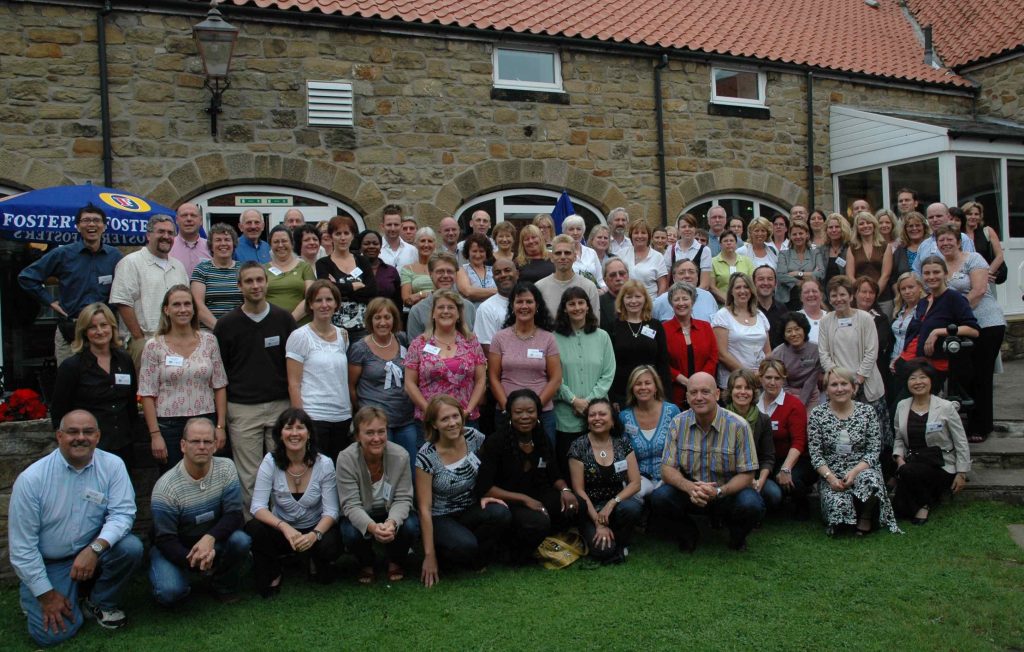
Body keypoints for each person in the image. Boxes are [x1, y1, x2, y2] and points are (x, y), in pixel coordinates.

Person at [9, 410, 143, 645]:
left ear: (98, 436)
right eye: (72, 432)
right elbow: (22, 548)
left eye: (88, 432)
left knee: (131, 547)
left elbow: (123, 514)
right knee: (51, 636)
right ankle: (37, 595)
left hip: (92, 550)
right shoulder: (32, 480)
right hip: (52, 562)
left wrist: (94, 549)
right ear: (59, 436)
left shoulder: (113, 465)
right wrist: (47, 596)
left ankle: (98, 602)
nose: (80, 437)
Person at [214, 262, 297, 511]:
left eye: (259, 280)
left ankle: (284, 527)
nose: (255, 286)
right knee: (249, 477)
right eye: (249, 281)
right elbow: (221, 373)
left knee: (282, 471)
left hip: (280, 405)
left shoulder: (284, 319)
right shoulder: (226, 325)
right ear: (239, 286)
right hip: (242, 408)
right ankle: (255, 533)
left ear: (267, 282)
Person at [650, 372, 763, 552]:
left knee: (751, 504)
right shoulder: (677, 423)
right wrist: (689, 487)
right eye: (693, 393)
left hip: (726, 492)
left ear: (717, 394)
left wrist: (718, 491)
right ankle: (688, 532)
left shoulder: (739, 426)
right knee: (660, 498)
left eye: (705, 392)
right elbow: (666, 469)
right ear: (687, 397)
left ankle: (737, 536)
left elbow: (748, 474)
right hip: (691, 491)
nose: (699, 397)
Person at [148, 418, 251, 605]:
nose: (202, 447)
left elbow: (235, 515)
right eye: (195, 441)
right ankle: (189, 574)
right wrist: (194, 560)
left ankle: (222, 583)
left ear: (214, 446)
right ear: (183, 445)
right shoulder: (165, 488)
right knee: (169, 592)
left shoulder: (226, 468)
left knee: (241, 541)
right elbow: (164, 539)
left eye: (207, 442)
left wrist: (209, 539)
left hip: (213, 541)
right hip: (175, 546)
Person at [416, 395, 511, 587]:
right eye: (445, 419)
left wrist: (486, 493)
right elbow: (424, 509)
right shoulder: (426, 457)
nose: (452, 423)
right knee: (464, 545)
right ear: (434, 424)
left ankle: (475, 553)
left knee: (501, 513)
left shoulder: (473, 437)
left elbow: (489, 468)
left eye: (455, 416)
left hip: (470, 508)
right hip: (441, 516)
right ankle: (444, 555)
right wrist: (429, 556)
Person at [245, 408, 340, 595]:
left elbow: (332, 511)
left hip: (315, 529)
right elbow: (257, 507)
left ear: (309, 433)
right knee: (254, 528)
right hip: (283, 531)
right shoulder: (270, 461)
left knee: (331, 545)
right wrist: (285, 528)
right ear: (280, 434)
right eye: (288, 428)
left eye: (300, 428)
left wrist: (314, 535)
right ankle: (275, 568)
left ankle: (314, 557)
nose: (294, 433)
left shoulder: (324, 463)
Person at [477, 389, 579, 562]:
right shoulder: (496, 441)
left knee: (576, 505)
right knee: (538, 522)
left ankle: (551, 541)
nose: (525, 416)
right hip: (509, 501)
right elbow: (485, 488)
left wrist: (566, 490)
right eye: (518, 412)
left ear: (538, 413)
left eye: (530, 411)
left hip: (539, 495)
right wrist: (524, 499)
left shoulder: (541, 437)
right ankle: (512, 554)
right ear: (509, 414)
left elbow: (554, 474)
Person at [17, 203, 122, 365]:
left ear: (104, 226)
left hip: (104, 333)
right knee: (69, 383)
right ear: (78, 226)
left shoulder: (115, 257)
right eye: (86, 220)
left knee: (102, 382)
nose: (92, 224)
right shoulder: (63, 254)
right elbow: (27, 277)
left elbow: (125, 289)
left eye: (96, 220)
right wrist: (50, 301)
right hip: (70, 332)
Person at [139, 286, 228, 470]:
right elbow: (147, 393)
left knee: (207, 475)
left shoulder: (209, 341)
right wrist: (155, 434)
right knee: (172, 478)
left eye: (187, 304)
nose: (183, 309)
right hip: (169, 425)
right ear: (166, 309)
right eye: (176, 304)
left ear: (194, 309)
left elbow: (219, 385)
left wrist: (220, 426)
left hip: (205, 420)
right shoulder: (153, 346)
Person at [808, 368, 900, 536]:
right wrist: (831, 478)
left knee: (870, 481)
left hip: (862, 469)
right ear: (826, 389)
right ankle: (848, 509)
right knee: (840, 525)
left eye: (844, 384)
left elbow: (873, 451)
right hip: (832, 473)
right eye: (834, 385)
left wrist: (854, 472)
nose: (840, 389)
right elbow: (815, 455)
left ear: (853, 387)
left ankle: (865, 515)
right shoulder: (817, 415)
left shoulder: (867, 412)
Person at [937, 225, 1005, 443]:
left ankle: (982, 425)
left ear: (958, 241)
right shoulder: (938, 265)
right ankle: (965, 421)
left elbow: (978, 290)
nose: (945, 244)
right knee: (963, 373)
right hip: (959, 328)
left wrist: (954, 313)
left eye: (949, 239)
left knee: (981, 374)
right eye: (941, 241)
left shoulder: (973, 258)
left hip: (985, 323)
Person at [337, 406, 419, 584]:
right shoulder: (346, 458)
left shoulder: (401, 455)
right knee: (350, 532)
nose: (376, 438)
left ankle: (395, 560)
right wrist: (373, 528)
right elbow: (350, 505)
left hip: (390, 512)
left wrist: (391, 523)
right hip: (361, 512)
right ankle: (367, 562)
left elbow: (404, 498)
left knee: (410, 525)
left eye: (381, 431)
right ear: (358, 435)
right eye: (369, 433)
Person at [51, 303, 139, 467]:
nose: (100, 331)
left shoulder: (124, 360)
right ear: (84, 332)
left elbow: (131, 405)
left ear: (112, 327)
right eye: (93, 327)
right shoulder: (72, 367)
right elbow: (59, 411)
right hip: (88, 449)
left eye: (104, 325)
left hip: (123, 446)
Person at [819, 276, 891, 454]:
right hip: (839, 387)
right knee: (844, 438)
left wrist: (857, 380)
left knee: (875, 438)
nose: (838, 299)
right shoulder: (826, 321)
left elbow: (871, 351)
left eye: (842, 294)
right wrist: (840, 381)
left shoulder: (865, 318)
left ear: (851, 296)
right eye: (834, 295)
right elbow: (824, 354)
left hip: (867, 386)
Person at [892, 361, 970, 523]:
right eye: (913, 378)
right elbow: (899, 437)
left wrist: (962, 472)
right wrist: (899, 459)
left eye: (923, 377)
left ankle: (924, 505)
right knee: (907, 473)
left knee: (908, 473)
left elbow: (961, 441)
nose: (918, 382)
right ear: (907, 383)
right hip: (913, 460)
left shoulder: (946, 407)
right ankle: (916, 500)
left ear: (931, 380)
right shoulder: (902, 406)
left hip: (941, 462)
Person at [109, 214, 189, 367]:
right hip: (144, 340)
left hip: (175, 340)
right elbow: (123, 303)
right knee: (145, 390)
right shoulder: (131, 262)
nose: (166, 236)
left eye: (170, 233)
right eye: (161, 232)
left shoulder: (178, 266)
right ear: (148, 235)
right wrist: (139, 339)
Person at [568, 398, 642, 564]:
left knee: (632, 507)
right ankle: (604, 537)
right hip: (589, 509)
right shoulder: (578, 446)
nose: (597, 418)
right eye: (592, 415)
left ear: (613, 420)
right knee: (603, 551)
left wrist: (612, 503)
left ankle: (619, 539)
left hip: (615, 506)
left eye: (602, 414)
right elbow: (578, 490)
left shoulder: (622, 444)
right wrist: (598, 523)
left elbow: (635, 483)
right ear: (587, 422)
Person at [894, 256, 980, 399]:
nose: (931, 277)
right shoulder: (923, 302)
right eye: (927, 273)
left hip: (933, 366)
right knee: (898, 410)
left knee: (903, 408)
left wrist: (939, 332)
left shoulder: (954, 298)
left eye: (936, 272)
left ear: (945, 274)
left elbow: (973, 330)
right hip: (911, 363)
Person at [286, 280, 352, 462]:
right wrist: (300, 421)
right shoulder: (299, 336)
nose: (324, 305)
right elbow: (293, 384)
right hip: (314, 416)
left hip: (341, 416)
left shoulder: (343, 335)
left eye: (329, 300)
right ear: (310, 305)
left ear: (336, 304)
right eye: (318, 300)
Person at [489, 282, 562, 445]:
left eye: (529, 302)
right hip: (506, 412)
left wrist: (534, 408)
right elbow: (493, 378)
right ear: (512, 306)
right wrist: (508, 409)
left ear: (537, 306)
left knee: (544, 464)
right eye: (519, 301)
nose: (524, 306)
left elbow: (556, 378)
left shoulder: (548, 338)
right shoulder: (499, 338)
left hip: (542, 413)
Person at [553, 287, 615, 471]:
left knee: (598, 468)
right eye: (571, 304)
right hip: (565, 416)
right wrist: (573, 400)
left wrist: (589, 403)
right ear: (564, 308)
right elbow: (552, 375)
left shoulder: (602, 337)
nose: (577, 307)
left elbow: (608, 373)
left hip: (598, 415)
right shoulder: (552, 338)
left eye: (581, 303)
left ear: (588, 307)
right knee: (568, 467)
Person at [348, 298, 417, 465]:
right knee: (382, 469)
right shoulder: (360, 349)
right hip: (376, 424)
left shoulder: (402, 339)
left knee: (410, 468)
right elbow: (351, 386)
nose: (383, 322)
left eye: (387, 317)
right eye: (377, 318)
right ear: (370, 320)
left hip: (405, 418)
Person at [405, 289, 487, 426]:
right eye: (441, 307)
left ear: (459, 314)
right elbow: (409, 384)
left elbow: (481, 380)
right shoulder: (419, 344)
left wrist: (468, 410)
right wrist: (430, 412)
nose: (446, 311)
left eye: (451, 307)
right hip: (431, 421)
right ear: (433, 314)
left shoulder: (471, 342)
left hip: (465, 418)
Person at [755, 360, 814, 517]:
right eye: (768, 377)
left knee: (792, 480)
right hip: (764, 460)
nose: (772, 382)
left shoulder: (794, 405)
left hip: (792, 459)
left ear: (784, 379)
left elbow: (799, 441)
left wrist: (786, 468)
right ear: (760, 378)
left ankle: (800, 505)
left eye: (778, 378)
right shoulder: (753, 403)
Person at [619, 366, 681, 501]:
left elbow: (682, 448)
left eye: (647, 383)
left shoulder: (672, 411)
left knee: (661, 498)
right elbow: (621, 454)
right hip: (638, 480)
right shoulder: (624, 417)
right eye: (638, 383)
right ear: (632, 388)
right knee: (628, 507)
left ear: (656, 387)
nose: (643, 387)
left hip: (668, 479)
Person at [609, 279, 671, 406]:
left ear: (645, 299)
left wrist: (666, 395)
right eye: (629, 297)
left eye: (638, 296)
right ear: (622, 300)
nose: (633, 301)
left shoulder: (656, 325)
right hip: (622, 392)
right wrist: (612, 397)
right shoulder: (613, 327)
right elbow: (609, 365)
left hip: (651, 391)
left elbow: (663, 362)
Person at [316, 214, 377, 341]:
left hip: (362, 328)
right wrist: (354, 286)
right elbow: (326, 291)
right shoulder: (323, 263)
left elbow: (372, 290)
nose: (342, 238)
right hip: (333, 329)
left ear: (353, 236)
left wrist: (339, 289)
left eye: (346, 233)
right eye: (338, 234)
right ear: (331, 236)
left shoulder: (363, 261)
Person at [723, 369, 773, 518]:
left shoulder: (763, 420)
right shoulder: (720, 416)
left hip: (753, 473)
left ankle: (754, 514)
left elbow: (767, 457)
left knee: (773, 494)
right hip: (724, 474)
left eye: (748, 388)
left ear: (754, 392)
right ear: (731, 391)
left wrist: (759, 482)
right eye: (738, 387)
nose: (743, 392)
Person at [662, 282, 718, 408]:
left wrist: (699, 383)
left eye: (685, 298)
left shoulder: (706, 327)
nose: (681, 303)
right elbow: (663, 362)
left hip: (704, 392)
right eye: (676, 299)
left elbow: (713, 357)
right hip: (675, 393)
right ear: (671, 303)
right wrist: (685, 381)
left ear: (692, 301)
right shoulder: (664, 329)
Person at [712, 272, 771, 389]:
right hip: (733, 383)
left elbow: (768, 352)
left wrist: (761, 374)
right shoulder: (722, 316)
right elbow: (722, 354)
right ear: (731, 292)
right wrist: (748, 375)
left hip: (759, 382)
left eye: (746, 287)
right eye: (738, 287)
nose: (742, 291)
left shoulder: (760, 315)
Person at [406, 252, 478, 339]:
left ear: (456, 274)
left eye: (450, 271)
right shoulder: (417, 311)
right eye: (440, 271)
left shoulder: (469, 307)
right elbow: (413, 348)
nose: (445, 275)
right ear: (430, 274)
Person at [536, 234, 601, 322]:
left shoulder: (589, 287)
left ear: (574, 257)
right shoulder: (539, 287)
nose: (563, 257)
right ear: (551, 258)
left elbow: (595, 322)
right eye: (558, 253)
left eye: (567, 253)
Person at [191, 223, 242, 329]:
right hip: (210, 332)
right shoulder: (201, 270)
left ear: (233, 244)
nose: (223, 243)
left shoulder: (243, 270)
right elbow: (197, 305)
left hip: (240, 331)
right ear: (211, 246)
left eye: (227, 239)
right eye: (218, 240)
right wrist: (220, 329)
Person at [853, 276, 894, 399]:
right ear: (855, 294)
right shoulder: (844, 316)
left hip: (874, 369)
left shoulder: (881, 318)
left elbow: (880, 343)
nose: (867, 296)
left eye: (871, 292)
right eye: (864, 292)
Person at [772, 311, 823, 407]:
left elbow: (811, 381)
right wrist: (792, 402)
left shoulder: (816, 350)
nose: (794, 334)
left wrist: (800, 403)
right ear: (784, 334)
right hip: (785, 395)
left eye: (797, 329)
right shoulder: (777, 353)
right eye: (789, 331)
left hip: (811, 394)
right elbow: (782, 383)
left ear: (804, 330)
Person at [265, 225, 314, 324]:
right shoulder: (262, 269)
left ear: (292, 244)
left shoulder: (304, 267)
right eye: (276, 242)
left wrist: (289, 321)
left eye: (284, 241)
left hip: (299, 326)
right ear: (270, 245)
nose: (280, 245)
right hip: (271, 325)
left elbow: (311, 297)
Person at [848, 211, 894, 316]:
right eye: (861, 224)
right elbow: (850, 275)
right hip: (859, 299)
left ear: (874, 225)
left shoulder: (885, 246)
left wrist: (873, 294)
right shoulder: (852, 247)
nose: (865, 226)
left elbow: (885, 275)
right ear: (857, 228)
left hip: (883, 298)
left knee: (882, 328)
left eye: (869, 223)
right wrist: (861, 294)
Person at [912, 202, 976, 275]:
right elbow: (916, 272)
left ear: (948, 217)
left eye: (939, 216)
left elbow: (972, 266)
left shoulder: (962, 238)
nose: (935, 220)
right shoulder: (924, 245)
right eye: (931, 217)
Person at [473, 258, 518, 353]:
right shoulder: (486, 308)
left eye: (507, 270)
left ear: (517, 274)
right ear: (493, 278)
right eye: (498, 273)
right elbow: (487, 348)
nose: (503, 275)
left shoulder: (530, 303)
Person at [653, 258, 717, 322]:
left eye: (691, 272)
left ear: (697, 276)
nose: (687, 276)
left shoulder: (708, 297)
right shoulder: (661, 301)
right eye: (681, 273)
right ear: (674, 278)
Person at [775, 220, 820, 308]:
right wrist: (801, 282)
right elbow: (781, 276)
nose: (798, 236)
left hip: (809, 297)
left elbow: (818, 274)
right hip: (787, 300)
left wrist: (796, 273)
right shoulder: (783, 254)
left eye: (801, 233)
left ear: (807, 234)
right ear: (790, 236)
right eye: (794, 234)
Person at [620, 219, 668, 299]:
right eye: (636, 233)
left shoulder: (658, 257)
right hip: (626, 302)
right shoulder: (621, 254)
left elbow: (662, 285)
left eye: (643, 233)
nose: (639, 236)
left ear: (649, 236)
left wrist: (657, 303)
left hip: (650, 305)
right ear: (631, 235)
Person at [961, 201, 1005, 283]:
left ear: (980, 216)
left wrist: (987, 274)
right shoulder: (958, 234)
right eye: (969, 214)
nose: (973, 217)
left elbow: (999, 256)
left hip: (986, 279)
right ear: (963, 216)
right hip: (965, 279)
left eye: (976, 214)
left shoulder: (987, 231)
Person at [890, 272, 924, 375]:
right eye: (903, 289)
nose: (907, 291)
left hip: (913, 363)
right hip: (893, 362)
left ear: (920, 287)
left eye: (911, 287)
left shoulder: (925, 309)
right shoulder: (898, 310)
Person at [358, 229, 402, 309]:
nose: (371, 246)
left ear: (380, 247)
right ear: (360, 248)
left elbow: (398, 301)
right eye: (366, 244)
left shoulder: (391, 271)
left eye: (375, 244)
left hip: (385, 318)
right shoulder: (352, 269)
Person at [667, 213, 712, 289]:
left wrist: (690, 297)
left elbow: (705, 284)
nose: (687, 229)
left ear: (695, 229)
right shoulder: (670, 249)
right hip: (675, 298)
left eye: (690, 226)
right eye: (683, 227)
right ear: (678, 230)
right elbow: (667, 281)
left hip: (697, 296)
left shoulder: (705, 250)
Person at [709, 230, 754, 304]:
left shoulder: (747, 261)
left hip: (745, 303)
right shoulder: (712, 262)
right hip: (722, 305)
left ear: (736, 243)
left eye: (731, 240)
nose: (729, 243)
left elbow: (752, 284)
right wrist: (729, 301)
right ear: (720, 244)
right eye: (725, 241)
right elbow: (712, 287)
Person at [891, 211, 930, 293]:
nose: (914, 228)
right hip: (906, 296)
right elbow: (893, 278)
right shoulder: (899, 250)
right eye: (910, 226)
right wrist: (900, 295)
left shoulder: (932, 247)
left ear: (924, 227)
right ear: (905, 229)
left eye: (918, 225)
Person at [400, 226, 438, 309]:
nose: (426, 244)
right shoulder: (408, 269)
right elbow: (407, 299)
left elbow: (445, 292)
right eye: (422, 241)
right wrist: (427, 294)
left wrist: (419, 295)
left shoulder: (441, 267)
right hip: (417, 312)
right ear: (416, 244)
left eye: (430, 241)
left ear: (435, 245)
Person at [455, 233, 497, 306]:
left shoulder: (494, 270)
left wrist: (477, 294)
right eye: (474, 251)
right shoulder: (461, 270)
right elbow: (467, 291)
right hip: (472, 314)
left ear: (486, 252)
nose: (478, 255)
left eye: (481, 251)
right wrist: (496, 292)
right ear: (468, 252)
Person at [169, 202, 210, 277]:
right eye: (184, 215)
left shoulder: (211, 247)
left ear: (201, 221)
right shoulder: (168, 246)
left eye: (193, 215)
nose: (189, 219)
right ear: (177, 220)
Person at [562, 215, 603, 287]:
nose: (575, 233)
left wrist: (603, 290)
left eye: (578, 229)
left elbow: (600, 280)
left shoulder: (591, 252)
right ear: (565, 232)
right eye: (571, 229)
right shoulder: (561, 254)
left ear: (583, 231)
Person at [752, 265, 787, 348]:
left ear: (775, 283)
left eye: (770, 279)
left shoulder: (783, 309)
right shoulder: (747, 310)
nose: (766, 283)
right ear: (753, 283)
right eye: (761, 279)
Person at [816, 212, 852, 287]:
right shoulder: (820, 250)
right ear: (826, 230)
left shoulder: (850, 249)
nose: (834, 230)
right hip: (824, 293)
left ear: (843, 229)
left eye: (837, 227)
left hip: (845, 292)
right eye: (830, 227)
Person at [379, 205, 417, 269]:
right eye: (389, 225)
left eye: (396, 225)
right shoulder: (375, 250)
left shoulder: (412, 250)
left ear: (401, 226)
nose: (393, 229)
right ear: (382, 226)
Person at [599, 257, 630, 332]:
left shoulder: (639, 300)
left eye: (622, 273)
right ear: (605, 280)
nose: (618, 278)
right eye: (613, 275)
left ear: (628, 276)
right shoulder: (598, 304)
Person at [797, 277, 828, 343]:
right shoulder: (795, 318)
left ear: (821, 295)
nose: (811, 294)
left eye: (814, 291)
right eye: (806, 292)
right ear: (800, 297)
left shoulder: (829, 317)